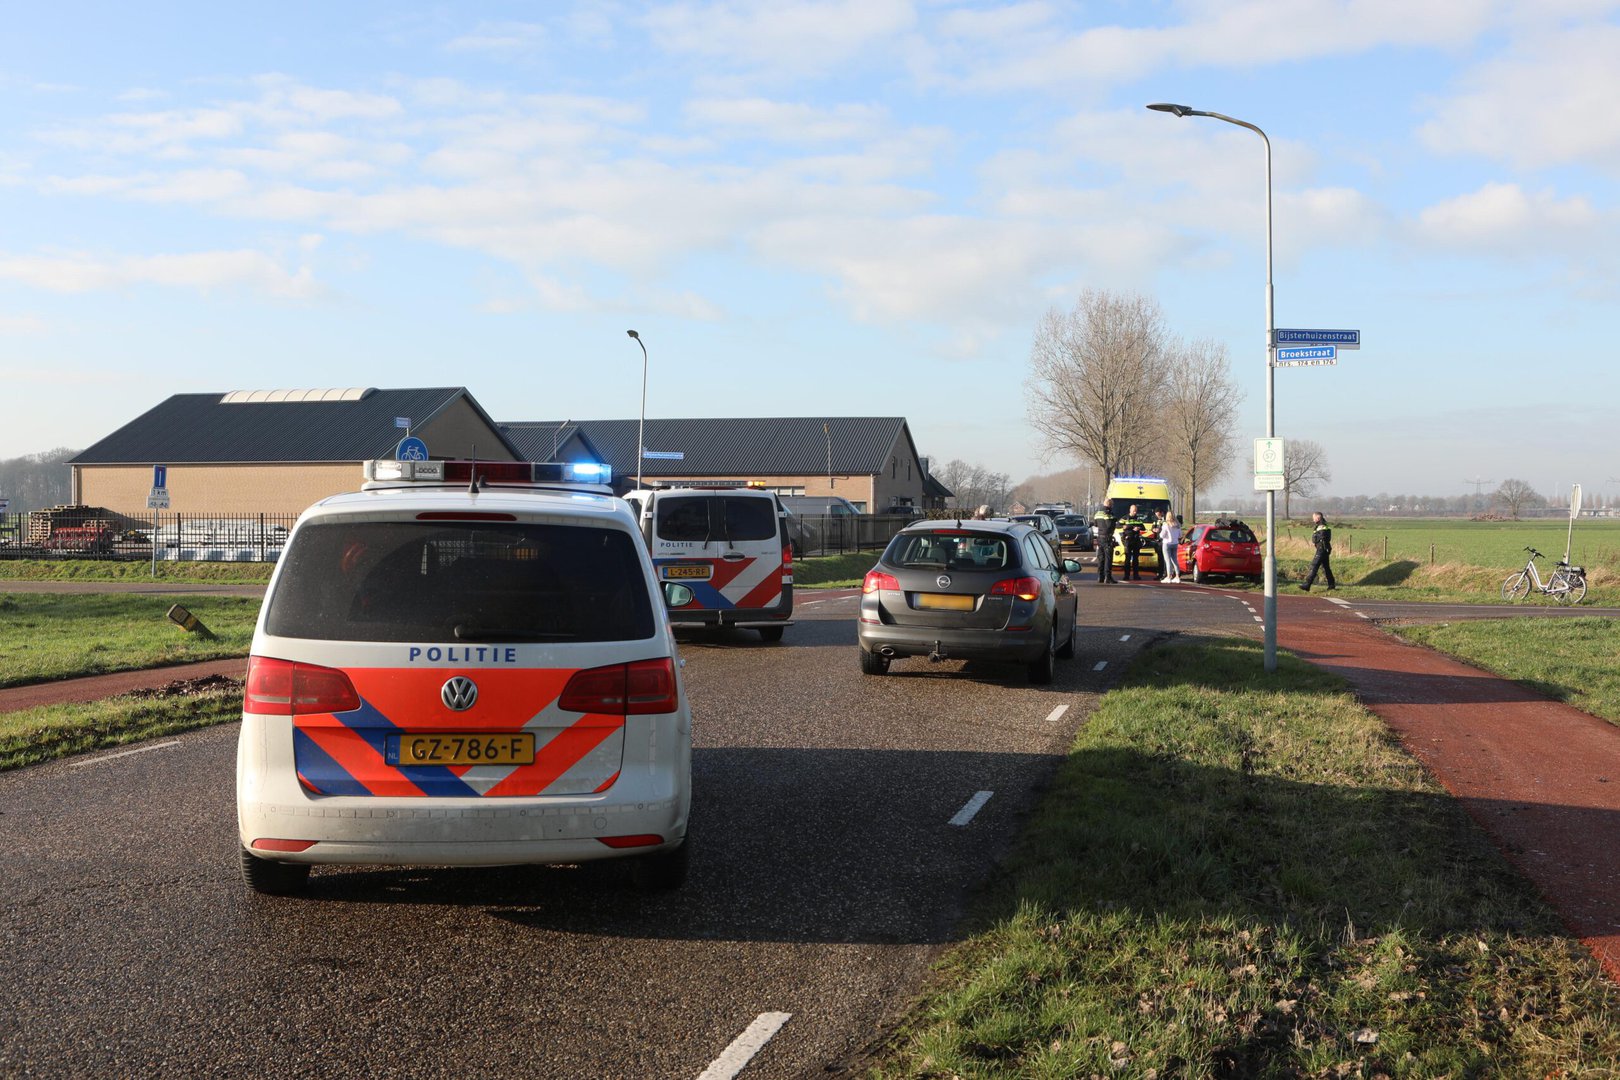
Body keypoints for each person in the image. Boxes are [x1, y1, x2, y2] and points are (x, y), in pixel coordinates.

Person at [1301, 511, 1336, 591]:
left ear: (1318, 518)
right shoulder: (1322, 525)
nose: (1313, 519)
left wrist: (1317, 543)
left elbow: (1320, 539)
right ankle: (1331, 585)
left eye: (1314, 518)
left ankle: (1307, 585)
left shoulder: (1321, 527)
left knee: (1314, 565)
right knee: (1326, 568)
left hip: (1321, 549)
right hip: (1324, 549)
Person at [1091, 499, 1117, 583]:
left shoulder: (1097, 513)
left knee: (1101, 558)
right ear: (1110, 505)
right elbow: (1110, 525)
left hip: (1100, 538)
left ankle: (1100, 576)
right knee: (1108, 558)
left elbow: (1095, 524)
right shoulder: (1109, 514)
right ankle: (1108, 577)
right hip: (1107, 538)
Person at [1120, 503, 1146, 580]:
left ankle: (1136, 575)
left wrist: (1138, 528)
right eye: (1134, 511)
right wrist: (1128, 527)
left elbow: (1143, 527)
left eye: (1136, 511)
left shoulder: (1138, 519)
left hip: (1136, 540)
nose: (1135, 512)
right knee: (1127, 559)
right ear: (1130, 510)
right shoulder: (1125, 518)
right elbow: (1118, 525)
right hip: (1128, 540)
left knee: (1136, 559)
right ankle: (1126, 575)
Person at [1161, 513, 1182, 583]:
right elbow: (1180, 535)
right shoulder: (1178, 525)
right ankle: (1177, 576)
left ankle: (1168, 576)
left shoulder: (1166, 525)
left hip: (1167, 543)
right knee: (1175, 560)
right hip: (1175, 543)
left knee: (1168, 561)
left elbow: (1162, 535)